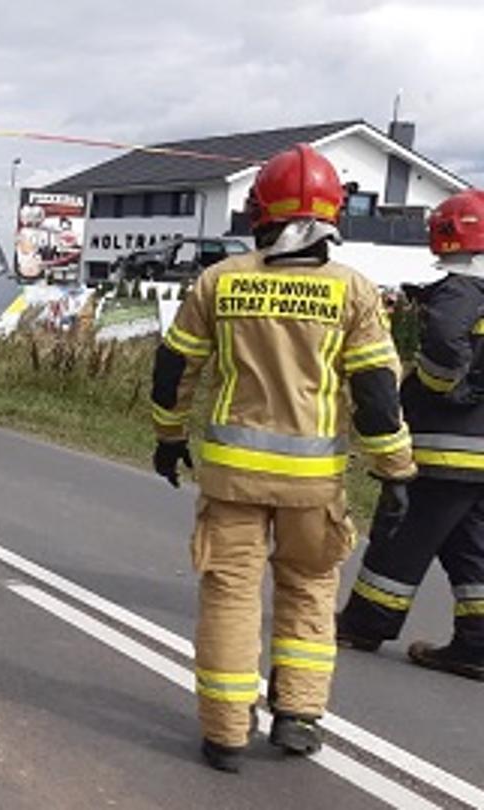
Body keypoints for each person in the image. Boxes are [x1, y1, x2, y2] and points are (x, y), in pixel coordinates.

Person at [149, 144, 414, 772]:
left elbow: (174, 368)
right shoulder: (352, 290)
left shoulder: (220, 280)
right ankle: (297, 715)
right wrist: (395, 470)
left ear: (258, 213)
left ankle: (224, 731)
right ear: (334, 215)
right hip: (314, 488)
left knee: (231, 595)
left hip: (233, 480)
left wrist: (169, 436)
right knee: (309, 591)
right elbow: (377, 395)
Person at [337, 189, 484, 681]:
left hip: (446, 450)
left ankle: (364, 623)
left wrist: (438, 385)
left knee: (403, 534)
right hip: (479, 456)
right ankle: (476, 644)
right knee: (471, 546)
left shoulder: (460, 291)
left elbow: (444, 343)